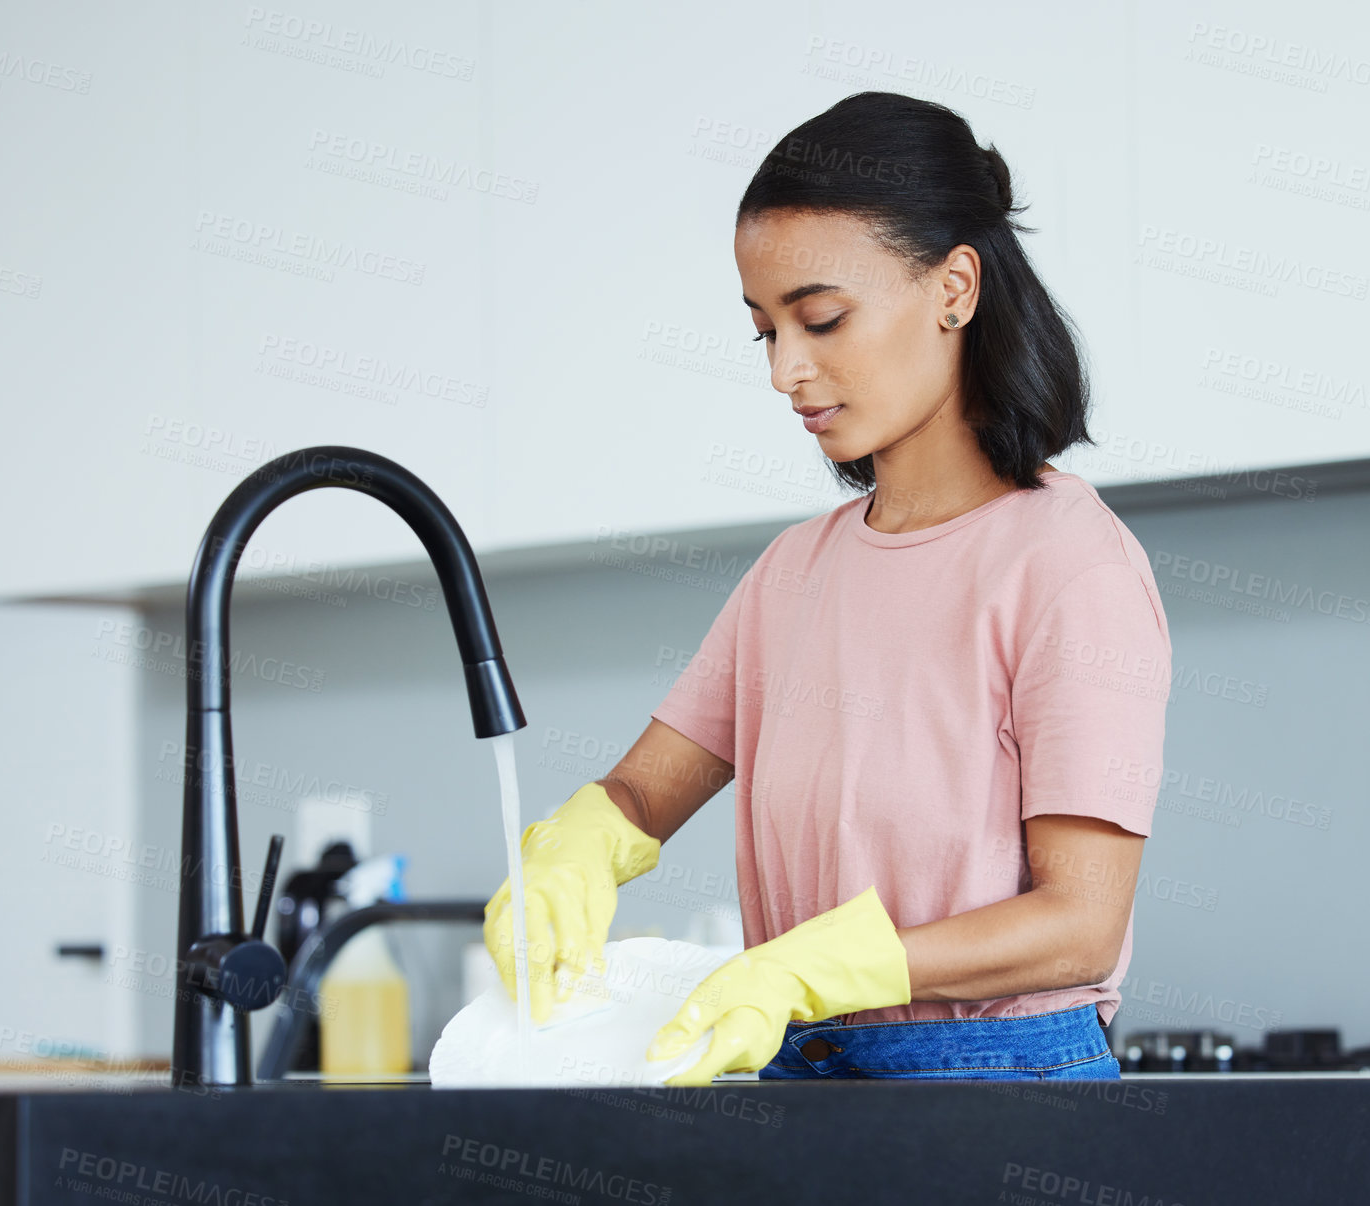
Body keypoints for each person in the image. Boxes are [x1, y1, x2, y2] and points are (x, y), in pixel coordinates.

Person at [484, 91, 1172, 1085]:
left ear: (955, 288)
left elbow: (1081, 925)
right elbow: (643, 791)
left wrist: (818, 966)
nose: (786, 371)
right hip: (806, 1082)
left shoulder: (1068, 564)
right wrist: (576, 848)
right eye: (764, 331)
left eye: (820, 319)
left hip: (1000, 1092)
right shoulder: (793, 575)